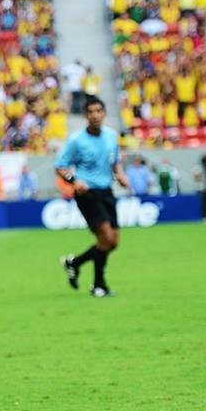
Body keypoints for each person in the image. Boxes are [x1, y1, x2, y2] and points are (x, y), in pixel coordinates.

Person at [57, 97, 130, 298]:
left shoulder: (111, 136)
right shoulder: (76, 140)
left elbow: (115, 161)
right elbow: (60, 166)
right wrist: (74, 180)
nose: (95, 115)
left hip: (107, 191)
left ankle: (75, 263)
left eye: (99, 110)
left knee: (113, 242)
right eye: (91, 112)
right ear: (86, 115)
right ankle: (99, 285)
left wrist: (120, 175)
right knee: (105, 237)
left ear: (104, 113)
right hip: (86, 192)